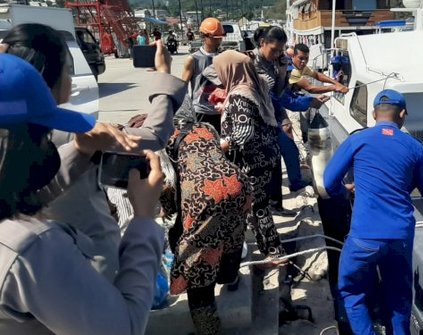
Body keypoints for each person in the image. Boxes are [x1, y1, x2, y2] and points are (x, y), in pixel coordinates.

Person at [1, 23, 186, 281]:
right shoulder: (70, 130)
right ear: (51, 77)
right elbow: (153, 135)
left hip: (36, 270)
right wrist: (164, 74)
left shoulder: (10, 129)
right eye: (69, 69)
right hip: (89, 264)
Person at [0, 53, 166, 334]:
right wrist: (143, 220)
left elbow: (19, 197)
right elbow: (122, 328)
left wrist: (82, 151)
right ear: (22, 147)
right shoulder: (32, 247)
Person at [323, 89, 423, 335]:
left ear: (373, 114)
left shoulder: (358, 139)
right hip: (400, 237)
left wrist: (347, 191)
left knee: (352, 291)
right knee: (399, 298)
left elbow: (329, 181)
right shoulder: (415, 147)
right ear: (403, 115)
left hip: (364, 236)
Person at [160, 113, 251, 334]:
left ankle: (208, 329)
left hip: (204, 193)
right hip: (236, 182)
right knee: (232, 234)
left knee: (197, 265)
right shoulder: (206, 127)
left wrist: (167, 209)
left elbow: (169, 183)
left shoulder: (164, 138)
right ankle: (229, 276)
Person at [215, 50, 286, 265]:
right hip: (267, 155)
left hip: (251, 161)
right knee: (253, 204)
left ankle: (275, 251)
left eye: (221, 70)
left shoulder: (238, 95)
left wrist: (218, 147)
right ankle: (268, 249)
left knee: (257, 205)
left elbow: (244, 133)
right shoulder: (256, 85)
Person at [251, 26, 317, 215]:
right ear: (263, 43)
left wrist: (281, 71)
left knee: (284, 153)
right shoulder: (251, 63)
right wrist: (307, 102)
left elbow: (280, 93)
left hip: (274, 115)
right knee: (266, 166)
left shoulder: (275, 63)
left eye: (281, 50)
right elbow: (275, 97)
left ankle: (277, 203)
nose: (278, 54)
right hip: (258, 120)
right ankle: (263, 209)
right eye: (274, 50)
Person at [181, 17, 224, 129]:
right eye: (215, 38)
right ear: (204, 36)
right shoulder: (193, 59)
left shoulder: (224, 58)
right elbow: (182, 88)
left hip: (222, 111)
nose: (218, 41)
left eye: (220, 38)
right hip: (201, 111)